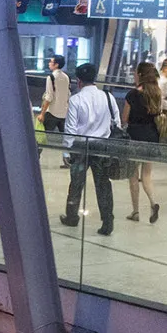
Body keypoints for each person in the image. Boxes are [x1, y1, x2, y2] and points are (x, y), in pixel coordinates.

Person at [59, 62, 117, 236]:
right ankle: (107, 221)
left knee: (76, 184)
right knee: (103, 185)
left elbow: (70, 128)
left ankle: (72, 217)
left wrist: (66, 151)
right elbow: (117, 123)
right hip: (102, 146)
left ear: (78, 81)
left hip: (80, 147)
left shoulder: (76, 99)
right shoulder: (108, 97)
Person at [121, 60, 166, 224]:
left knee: (133, 175)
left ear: (140, 75)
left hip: (135, 136)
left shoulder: (132, 95)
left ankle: (136, 211)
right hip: (152, 136)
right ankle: (153, 203)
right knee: (147, 175)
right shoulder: (156, 93)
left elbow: (124, 118)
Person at [39, 54, 70, 139]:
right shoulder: (66, 77)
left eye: (51, 61)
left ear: (56, 64)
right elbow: (68, 94)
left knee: (43, 138)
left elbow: (49, 96)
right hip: (63, 113)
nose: (49, 63)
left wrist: (42, 113)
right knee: (66, 140)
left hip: (52, 113)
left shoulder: (51, 77)